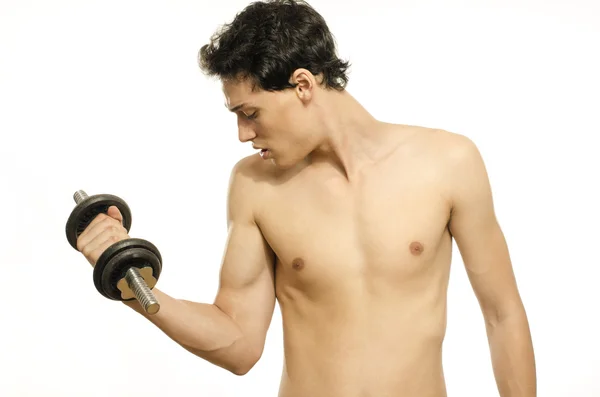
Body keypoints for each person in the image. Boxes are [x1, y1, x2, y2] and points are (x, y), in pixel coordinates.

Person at [75, 1, 537, 396]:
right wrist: (131, 282)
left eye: (251, 113)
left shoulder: (448, 161)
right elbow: (238, 345)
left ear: (302, 86)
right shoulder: (255, 185)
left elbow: (502, 314)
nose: (242, 134)